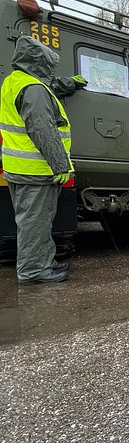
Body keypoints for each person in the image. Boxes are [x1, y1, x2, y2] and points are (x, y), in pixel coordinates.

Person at [0, 36, 86, 284]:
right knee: (35, 222)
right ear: (37, 63)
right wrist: (61, 165)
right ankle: (35, 271)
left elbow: (49, 85)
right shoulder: (34, 90)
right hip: (37, 168)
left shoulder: (15, 81)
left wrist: (69, 83)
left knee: (30, 220)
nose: (50, 70)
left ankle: (41, 264)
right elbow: (43, 130)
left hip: (21, 168)